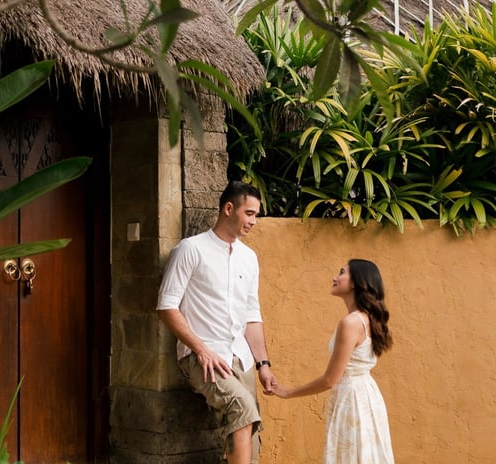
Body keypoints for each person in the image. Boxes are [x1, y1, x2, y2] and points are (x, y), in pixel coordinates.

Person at [156, 180, 275, 464]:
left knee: (251, 429)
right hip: (202, 356)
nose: (254, 221)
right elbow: (166, 306)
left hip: (241, 358)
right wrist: (201, 350)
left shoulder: (249, 258)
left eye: (256, 215)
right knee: (242, 408)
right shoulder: (191, 249)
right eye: (249, 213)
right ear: (229, 208)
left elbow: (251, 316)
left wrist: (263, 365)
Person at [271, 259, 395, 464]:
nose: (335, 277)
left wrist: (287, 392)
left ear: (355, 282)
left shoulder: (351, 323)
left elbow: (330, 379)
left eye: (342, 272)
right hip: (367, 396)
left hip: (352, 399)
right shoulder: (366, 319)